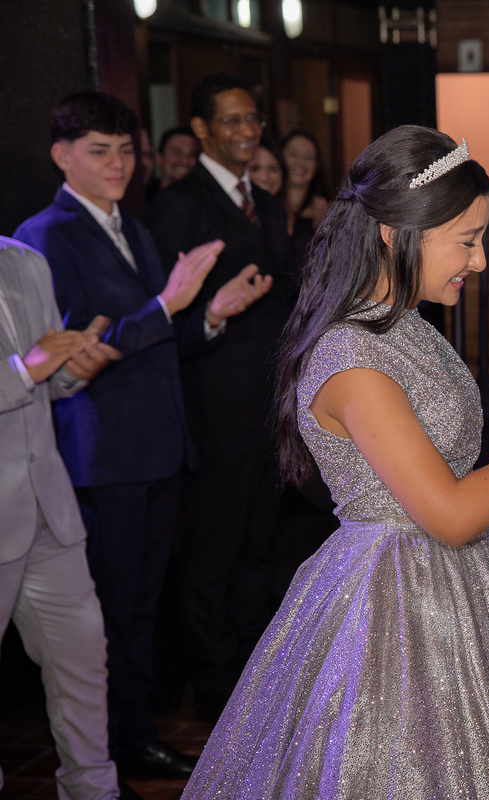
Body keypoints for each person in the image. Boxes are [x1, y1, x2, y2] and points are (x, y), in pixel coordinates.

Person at [180, 126, 489, 799]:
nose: (479, 261)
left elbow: (446, 492)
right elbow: (449, 512)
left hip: (457, 587)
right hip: (390, 614)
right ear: (394, 233)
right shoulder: (351, 357)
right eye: (467, 241)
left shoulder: (405, 327)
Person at [13, 91, 271, 782]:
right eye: (100, 150)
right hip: (104, 453)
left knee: (140, 611)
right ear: (62, 156)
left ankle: (135, 738)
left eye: (126, 149)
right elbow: (74, 349)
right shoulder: (45, 236)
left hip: (157, 445)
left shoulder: (133, 226)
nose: (118, 163)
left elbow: (163, 338)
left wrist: (209, 314)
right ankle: (105, 755)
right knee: (105, 617)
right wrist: (167, 304)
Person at [145, 73, 290, 724]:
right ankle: (213, 687)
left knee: (258, 548)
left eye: (252, 119)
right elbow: (163, 321)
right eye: (231, 121)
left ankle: (253, 674)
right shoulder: (178, 206)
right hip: (212, 411)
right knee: (211, 556)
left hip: (268, 407)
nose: (246, 131)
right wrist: (212, 316)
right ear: (202, 129)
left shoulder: (269, 205)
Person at [0, 237, 124, 800]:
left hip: (48, 506)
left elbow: (48, 382)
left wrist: (75, 369)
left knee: (83, 657)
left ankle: (94, 791)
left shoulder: (25, 260)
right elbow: (28, 371)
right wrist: (26, 369)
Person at [278, 129, 329, 235]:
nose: (300, 162)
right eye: (293, 154)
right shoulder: (266, 204)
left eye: (309, 157)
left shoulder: (323, 210)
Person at [145, 127, 199, 205]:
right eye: (177, 153)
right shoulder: (142, 199)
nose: (185, 161)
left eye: (193, 155)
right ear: (159, 158)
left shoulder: (207, 200)